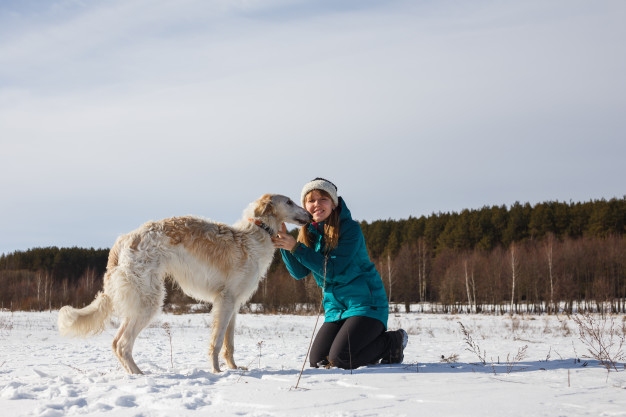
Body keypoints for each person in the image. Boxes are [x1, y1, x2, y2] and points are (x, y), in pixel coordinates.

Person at [272, 178, 408, 369]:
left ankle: (392, 342)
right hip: (336, 310)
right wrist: (285, 245)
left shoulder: (350, 229)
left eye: (323, 199)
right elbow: (299, 272)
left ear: (333, 203)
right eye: (311, 201)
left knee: (341, 359)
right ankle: (366, 346)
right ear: (305, 206)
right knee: (319, 362)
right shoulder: (310, 233)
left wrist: (296, 248)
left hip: (366, 306)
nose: (316, 205)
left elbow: (333, 270)